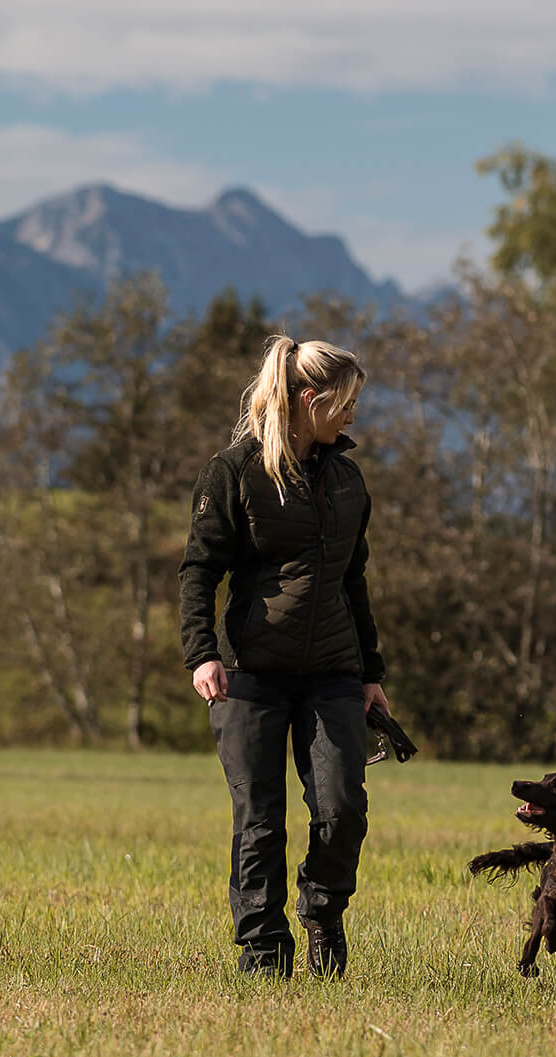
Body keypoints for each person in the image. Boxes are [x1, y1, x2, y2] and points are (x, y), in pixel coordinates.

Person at [178, 333, 390, 979]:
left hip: (333, 673)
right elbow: (198, 570)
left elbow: (353, 580)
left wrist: (372, 674)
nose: (353, 414)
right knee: (260, 821)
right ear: (308, 398)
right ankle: (263, 954)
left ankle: (322, 914)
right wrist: (201, 654)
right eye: (345, 401)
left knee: (341, 809)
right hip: (249, 674)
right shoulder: (233, 472)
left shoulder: (349, 481)